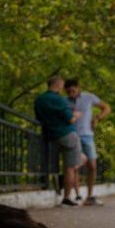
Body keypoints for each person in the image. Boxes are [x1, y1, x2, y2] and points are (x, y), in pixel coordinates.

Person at [34, 75, 87, 207]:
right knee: (70, 167)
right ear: (58, 84)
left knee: (59, 165)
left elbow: (40, 118)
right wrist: (75, 115)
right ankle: (67, 198)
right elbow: (70, 120)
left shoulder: (39, 100)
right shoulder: (59, 99)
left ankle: (58, 188)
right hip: (67, 135)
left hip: (50, 136)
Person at [64, 78, 111, 206]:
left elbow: (106, 108)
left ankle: (90, 196)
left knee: (92, 165)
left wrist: (97, 118)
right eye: (68, 92)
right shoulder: (64, 101)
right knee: (74, 166)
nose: (71, 94)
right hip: (72, 135)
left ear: (78, 88)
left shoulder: (89, 97)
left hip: (87, 136)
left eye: (72, 91)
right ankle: (77, 195)